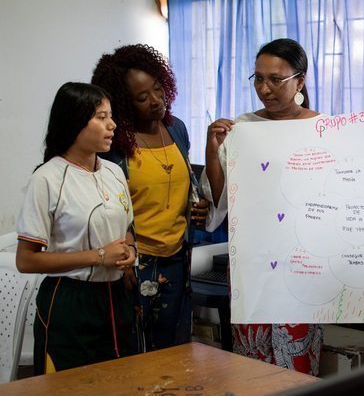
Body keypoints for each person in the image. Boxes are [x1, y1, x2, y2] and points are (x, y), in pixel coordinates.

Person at [202, 38, 323, 375]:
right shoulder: (243, 128)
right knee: (249, 359)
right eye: (258, 78)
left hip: (302, 262)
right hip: (251, 261)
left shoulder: (323, 129)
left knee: (295, 360)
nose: (264, 89)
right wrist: (213, 150)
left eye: (275, 79)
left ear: (299, 81)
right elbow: (219, 199)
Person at [91, 44, 208, 351]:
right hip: (134, 262)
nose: (156, 101)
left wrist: (197, 205)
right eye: (142, 98)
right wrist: (125, 264)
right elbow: (107, 207)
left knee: (173, 350)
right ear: (123, 104)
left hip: (177, 259)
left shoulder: (176, 129)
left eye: (158, 90)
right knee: (133, 351)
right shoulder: (115, 144)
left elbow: (182, 185)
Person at [16, 82, 137, 374]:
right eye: (100, 117)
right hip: (69, 302)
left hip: (116, 297)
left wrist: (130, 250)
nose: (112, 124)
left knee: (120, 381)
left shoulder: (114, 172)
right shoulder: (47, 179)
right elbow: (26, 259)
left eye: (111, 116)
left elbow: (128, 228)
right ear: (74, 122)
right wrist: (98, 256)